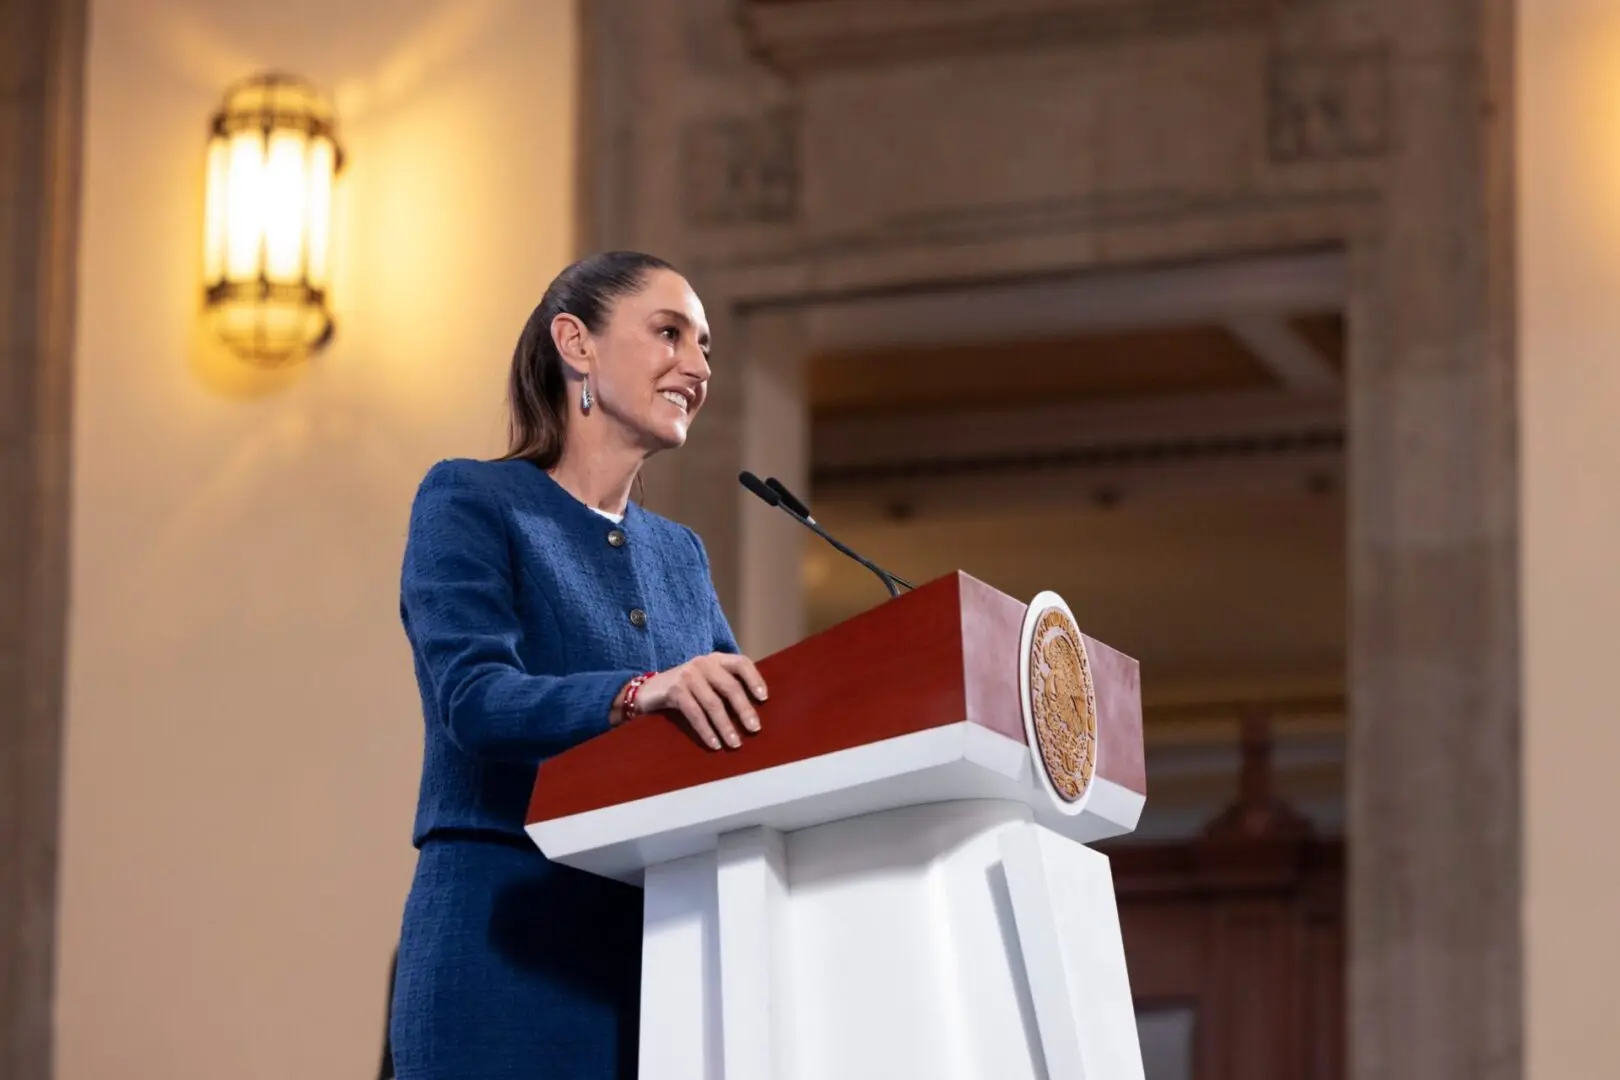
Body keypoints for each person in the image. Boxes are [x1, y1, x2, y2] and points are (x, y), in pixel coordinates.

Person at [388, 251, 769, 1080]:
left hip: (663, 954)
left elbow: (743, 733)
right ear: (576, 343)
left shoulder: (681, 555)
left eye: (705, 346)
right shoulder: (471, 500)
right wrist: (642, 692)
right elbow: (475, 700)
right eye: (669, 333)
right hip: (504, 939)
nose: (698, 367)